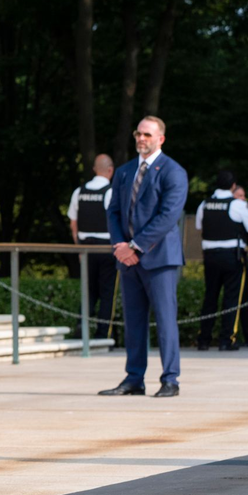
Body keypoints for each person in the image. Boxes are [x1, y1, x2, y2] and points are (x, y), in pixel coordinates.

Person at [100, 116, 187, 398]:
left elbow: (168, 217)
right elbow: (113, 212)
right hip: (127, 260)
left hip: (159, 258)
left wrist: (135, 246)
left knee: (165, 320)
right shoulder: (124, 172)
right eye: (138, 133)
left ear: (161, 138)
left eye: (147, 135)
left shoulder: (173, 171)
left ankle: (170, 379)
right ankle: (134, 378)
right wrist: (119, 246)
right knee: (134, 321)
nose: (141, 139)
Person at [194, 170, 248, 351]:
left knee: (210, 297)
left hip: (210, 257)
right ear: (233, 186)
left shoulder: (204, 204)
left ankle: (203, 339)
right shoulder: (237, 205)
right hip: (232, 257)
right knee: (231, 299)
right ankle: (227, 339)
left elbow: (199, 226)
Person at [67, 153, 118, 341]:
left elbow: (74, 223)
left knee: (87, 290)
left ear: (94, 170)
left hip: (85, 248)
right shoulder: (111, 192)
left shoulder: (79, 191)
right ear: (110, 170)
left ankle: (82, 328)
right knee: (107, 292)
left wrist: (78, 247)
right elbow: (115, 221)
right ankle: (103, 334)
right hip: (106, 248)